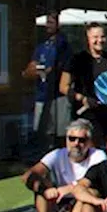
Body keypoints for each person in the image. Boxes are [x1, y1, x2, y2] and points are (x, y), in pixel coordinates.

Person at [26, 119, 105, 212]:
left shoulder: (98, 155)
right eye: (72, 139)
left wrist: (69, 188)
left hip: (84, 206)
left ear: (89, 142)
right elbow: (29, 176)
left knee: (87, 193)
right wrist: (46, 189)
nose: (76, 143)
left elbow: (96, 179)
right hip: (60, 204)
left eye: (81, 140)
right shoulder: (56, 155)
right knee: (40, 189)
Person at [60, 22, 107, 141]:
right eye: (95, 37)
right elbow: (63, 86)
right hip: (86, 116)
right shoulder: (77, 59)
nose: (99, 40)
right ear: (88, 38)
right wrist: (83, 98)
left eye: (102, 36)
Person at [27, 11, 72, 152]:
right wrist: (32, 71)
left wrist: (51, 70)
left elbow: (64, 67)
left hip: (58, 95)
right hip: (42, 94)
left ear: (59, 24)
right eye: (47, 22)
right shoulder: (42, 46)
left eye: (51, 22)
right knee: (42, 132)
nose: (47, 25)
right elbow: (31, 67)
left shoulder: (64, 46)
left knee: (59, 134)